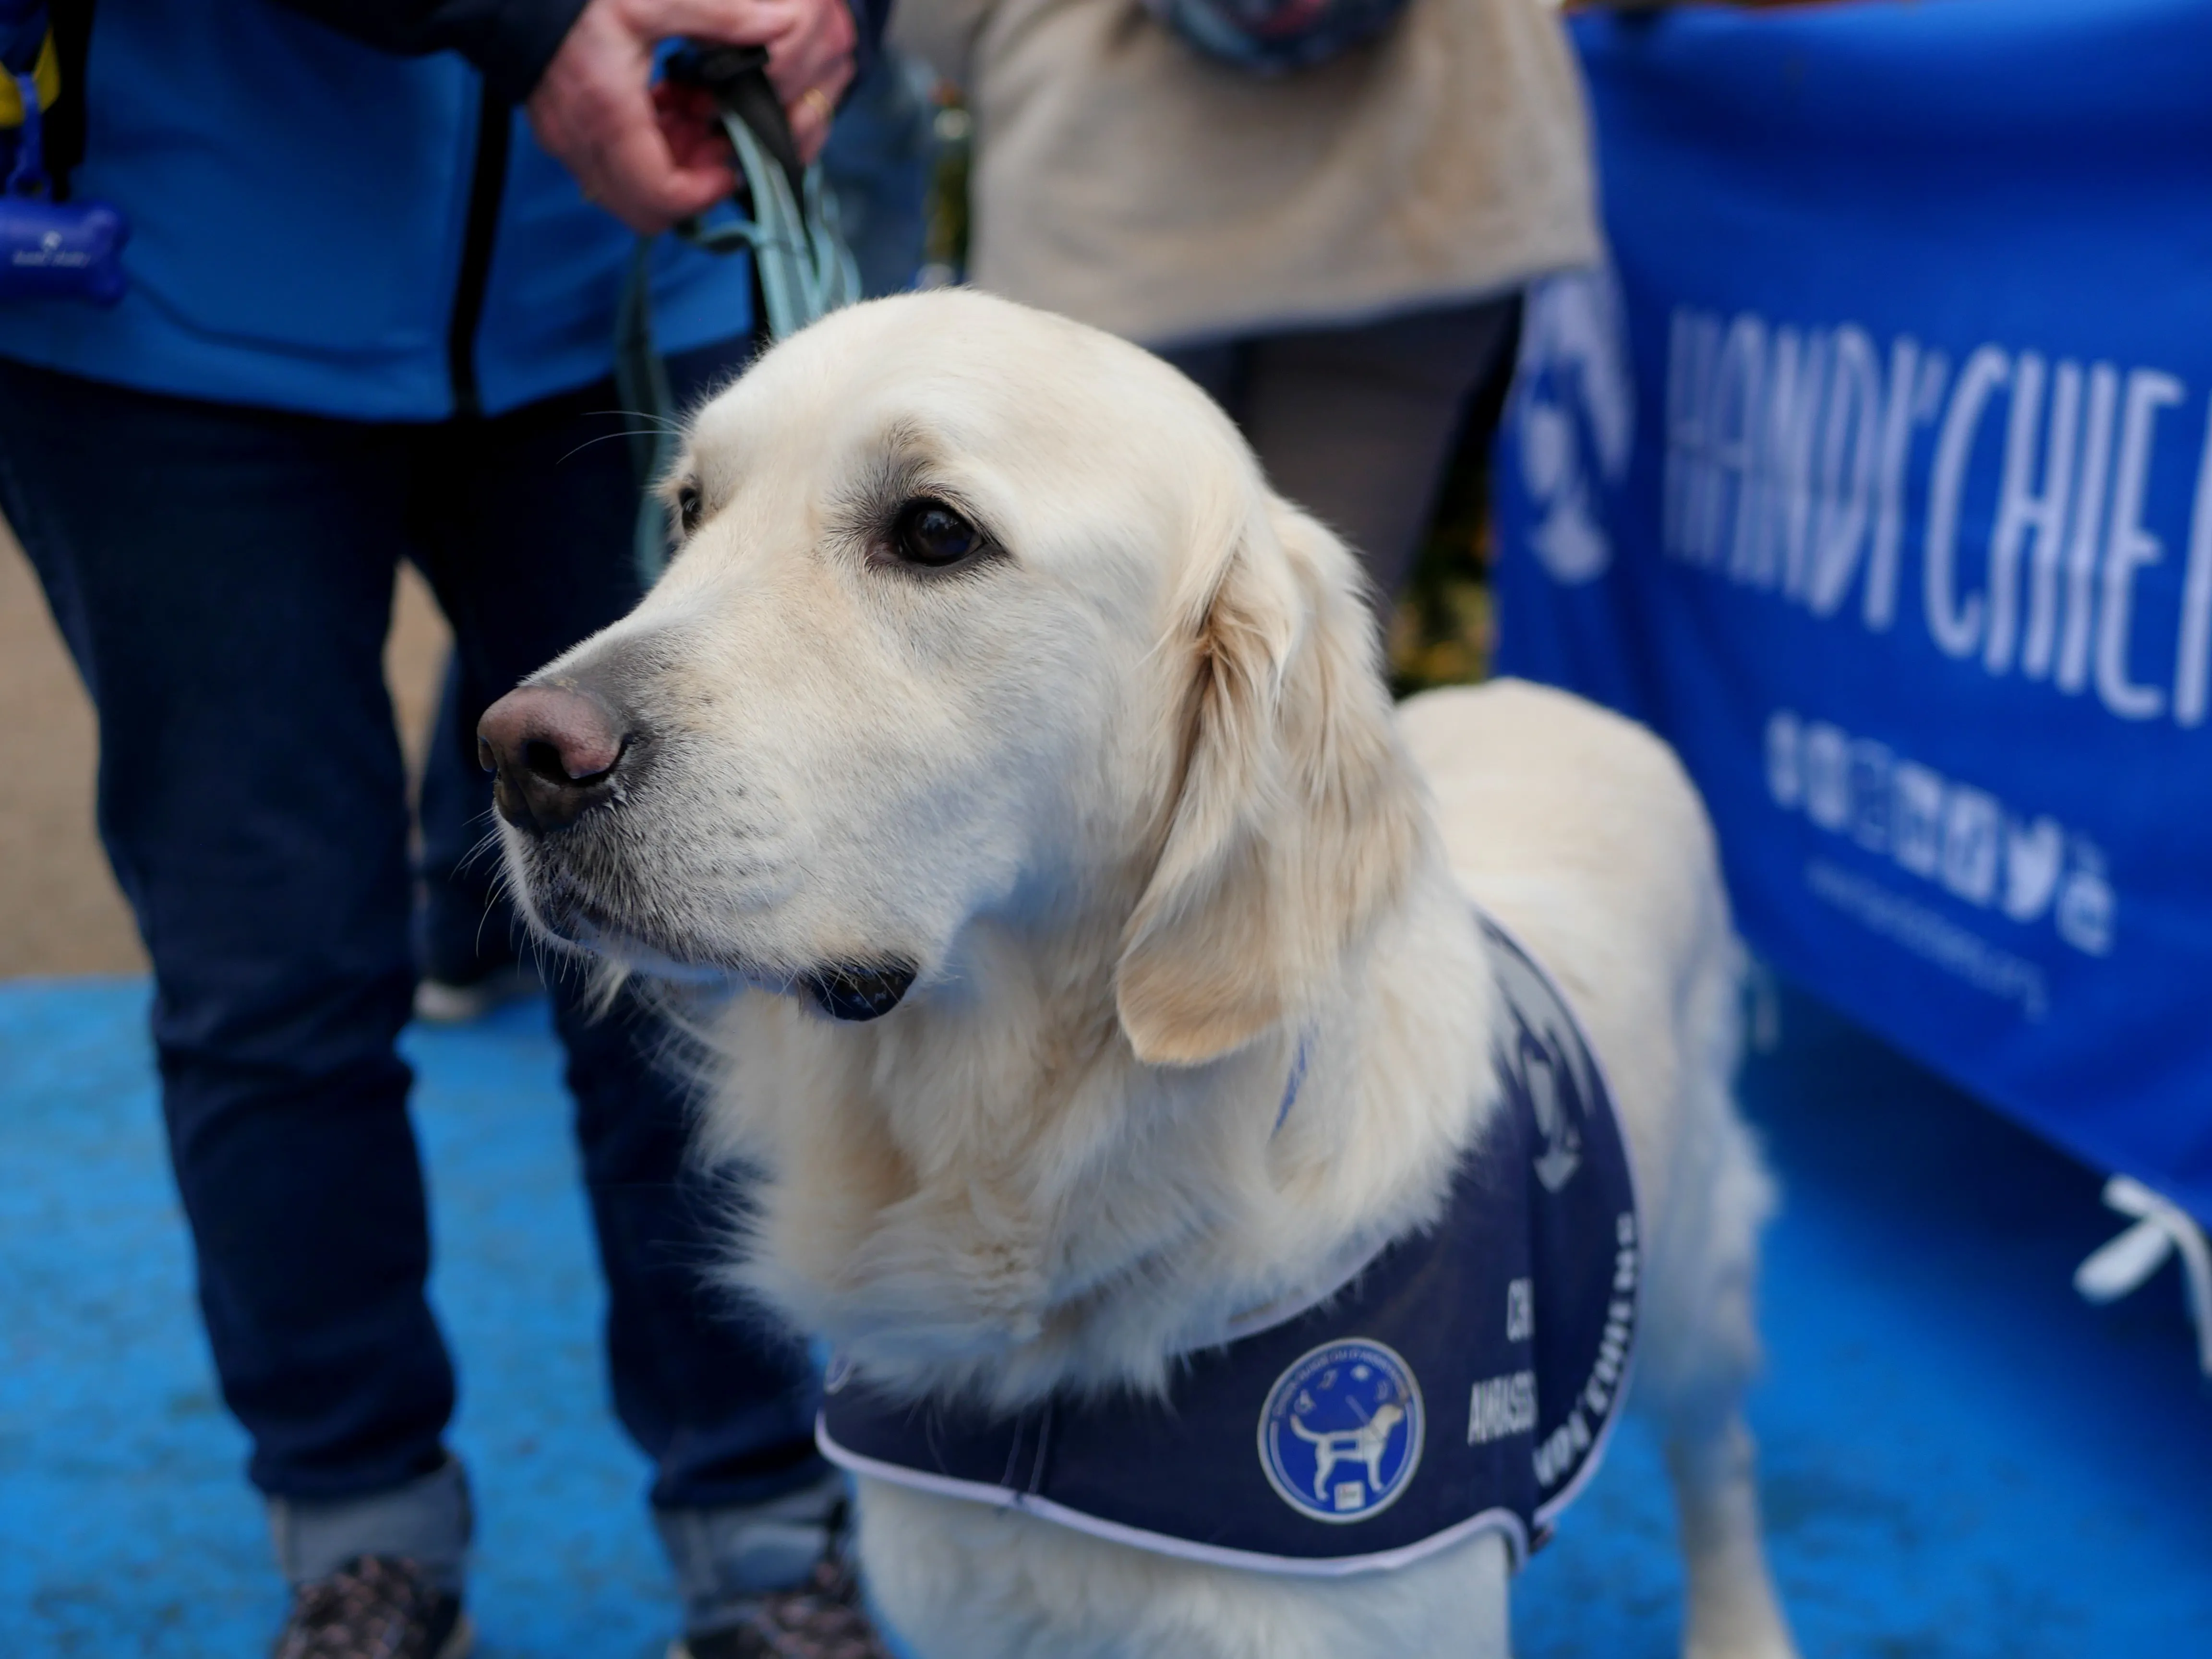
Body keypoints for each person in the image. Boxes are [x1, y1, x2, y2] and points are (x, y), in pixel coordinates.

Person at [0, 1, 890, 1656]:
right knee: (274, 971)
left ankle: (768, 1536)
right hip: (174, 305)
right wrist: (525, 23)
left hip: (639, 265)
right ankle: (361, 1538)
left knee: (716, 949)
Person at [891, 0, 1599, 602]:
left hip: (1104, 158)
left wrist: (1001, 28)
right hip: (1422, 161)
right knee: (1305, 657)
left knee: (1087, 644)